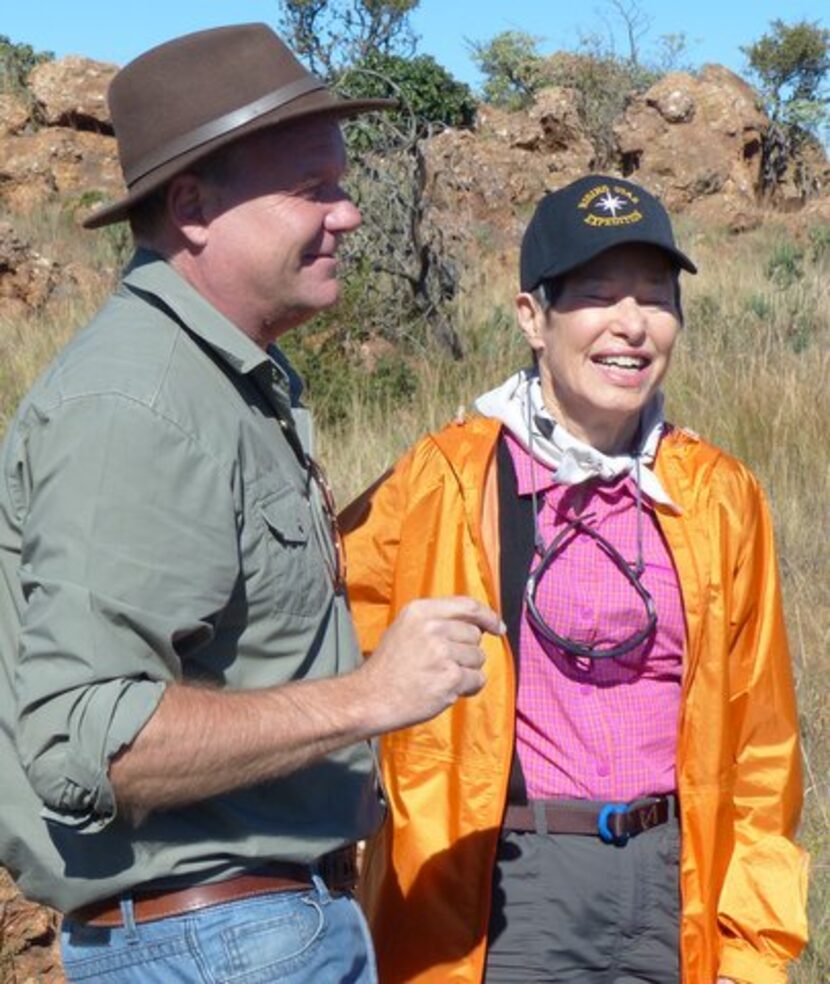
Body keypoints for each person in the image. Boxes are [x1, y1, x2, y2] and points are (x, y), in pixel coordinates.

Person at [0, 23, 502, 983]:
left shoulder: (223, 381)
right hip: (211, 943)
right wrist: (372, 698)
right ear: (191, 207)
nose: (349, 215)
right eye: (314, 189)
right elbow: (87, 737)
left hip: (244, 932)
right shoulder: (137, 403)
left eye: (343, 184)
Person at [343, 174, 808, 983]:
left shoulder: (719, 494)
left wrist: (750, 948)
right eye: (597, 296)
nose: (631, 326)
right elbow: (317, 628)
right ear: (534, 317)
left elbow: (762, 742)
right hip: (510, 888)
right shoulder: (447, 479)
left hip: (677, 881)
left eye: (656, 298)